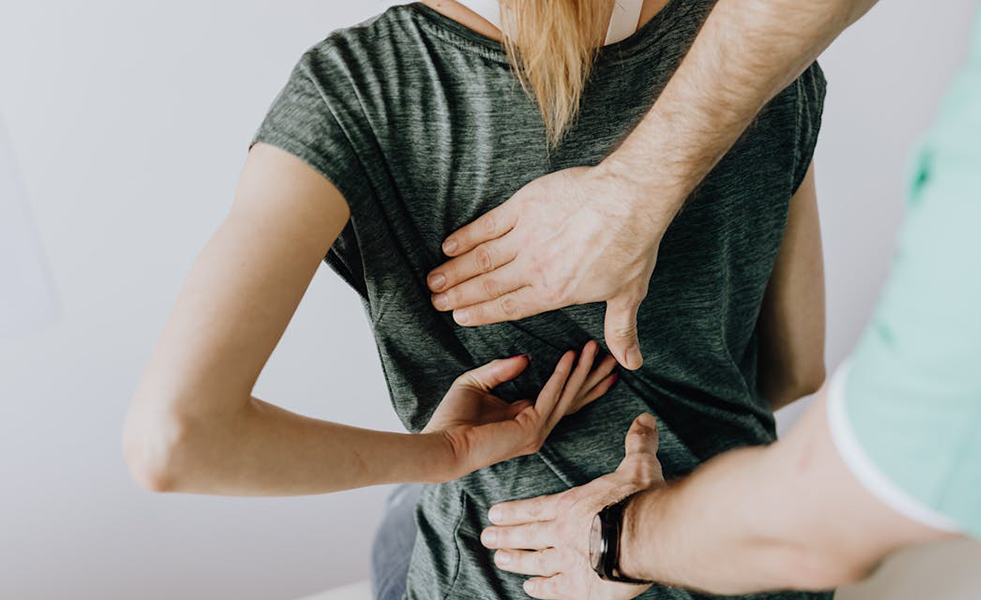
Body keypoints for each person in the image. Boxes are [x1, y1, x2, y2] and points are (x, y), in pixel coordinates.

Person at [451, 0, 981, 599]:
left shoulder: (396, 76)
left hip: (546, 556)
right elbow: (796, 370)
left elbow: (838, 510)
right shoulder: (770, 76)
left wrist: (616, 537)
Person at [121, 1, 832, 599]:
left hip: (499, 571)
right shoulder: (754, 41)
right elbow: (795, 370)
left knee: (400, 515)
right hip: (743, 557)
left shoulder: (359, 87)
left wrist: (445, 453)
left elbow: (177, 439)